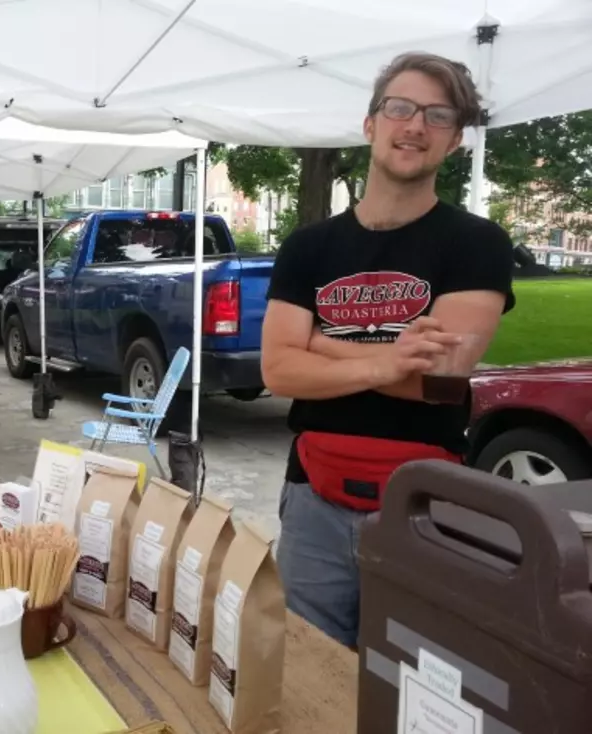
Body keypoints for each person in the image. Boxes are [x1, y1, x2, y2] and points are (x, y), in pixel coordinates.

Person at [260, 52, 516, 649]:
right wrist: (387, 360)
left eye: (438, 114)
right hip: (311, 496)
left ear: (453, 140)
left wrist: (321, 345)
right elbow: (277, 371)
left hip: (424, 502)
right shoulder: (309, 247)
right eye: (399, 107)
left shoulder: (476, 244)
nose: (415, 125)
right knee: (305, 663)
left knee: (414, 673)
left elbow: (440, 382)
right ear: (371, 123)